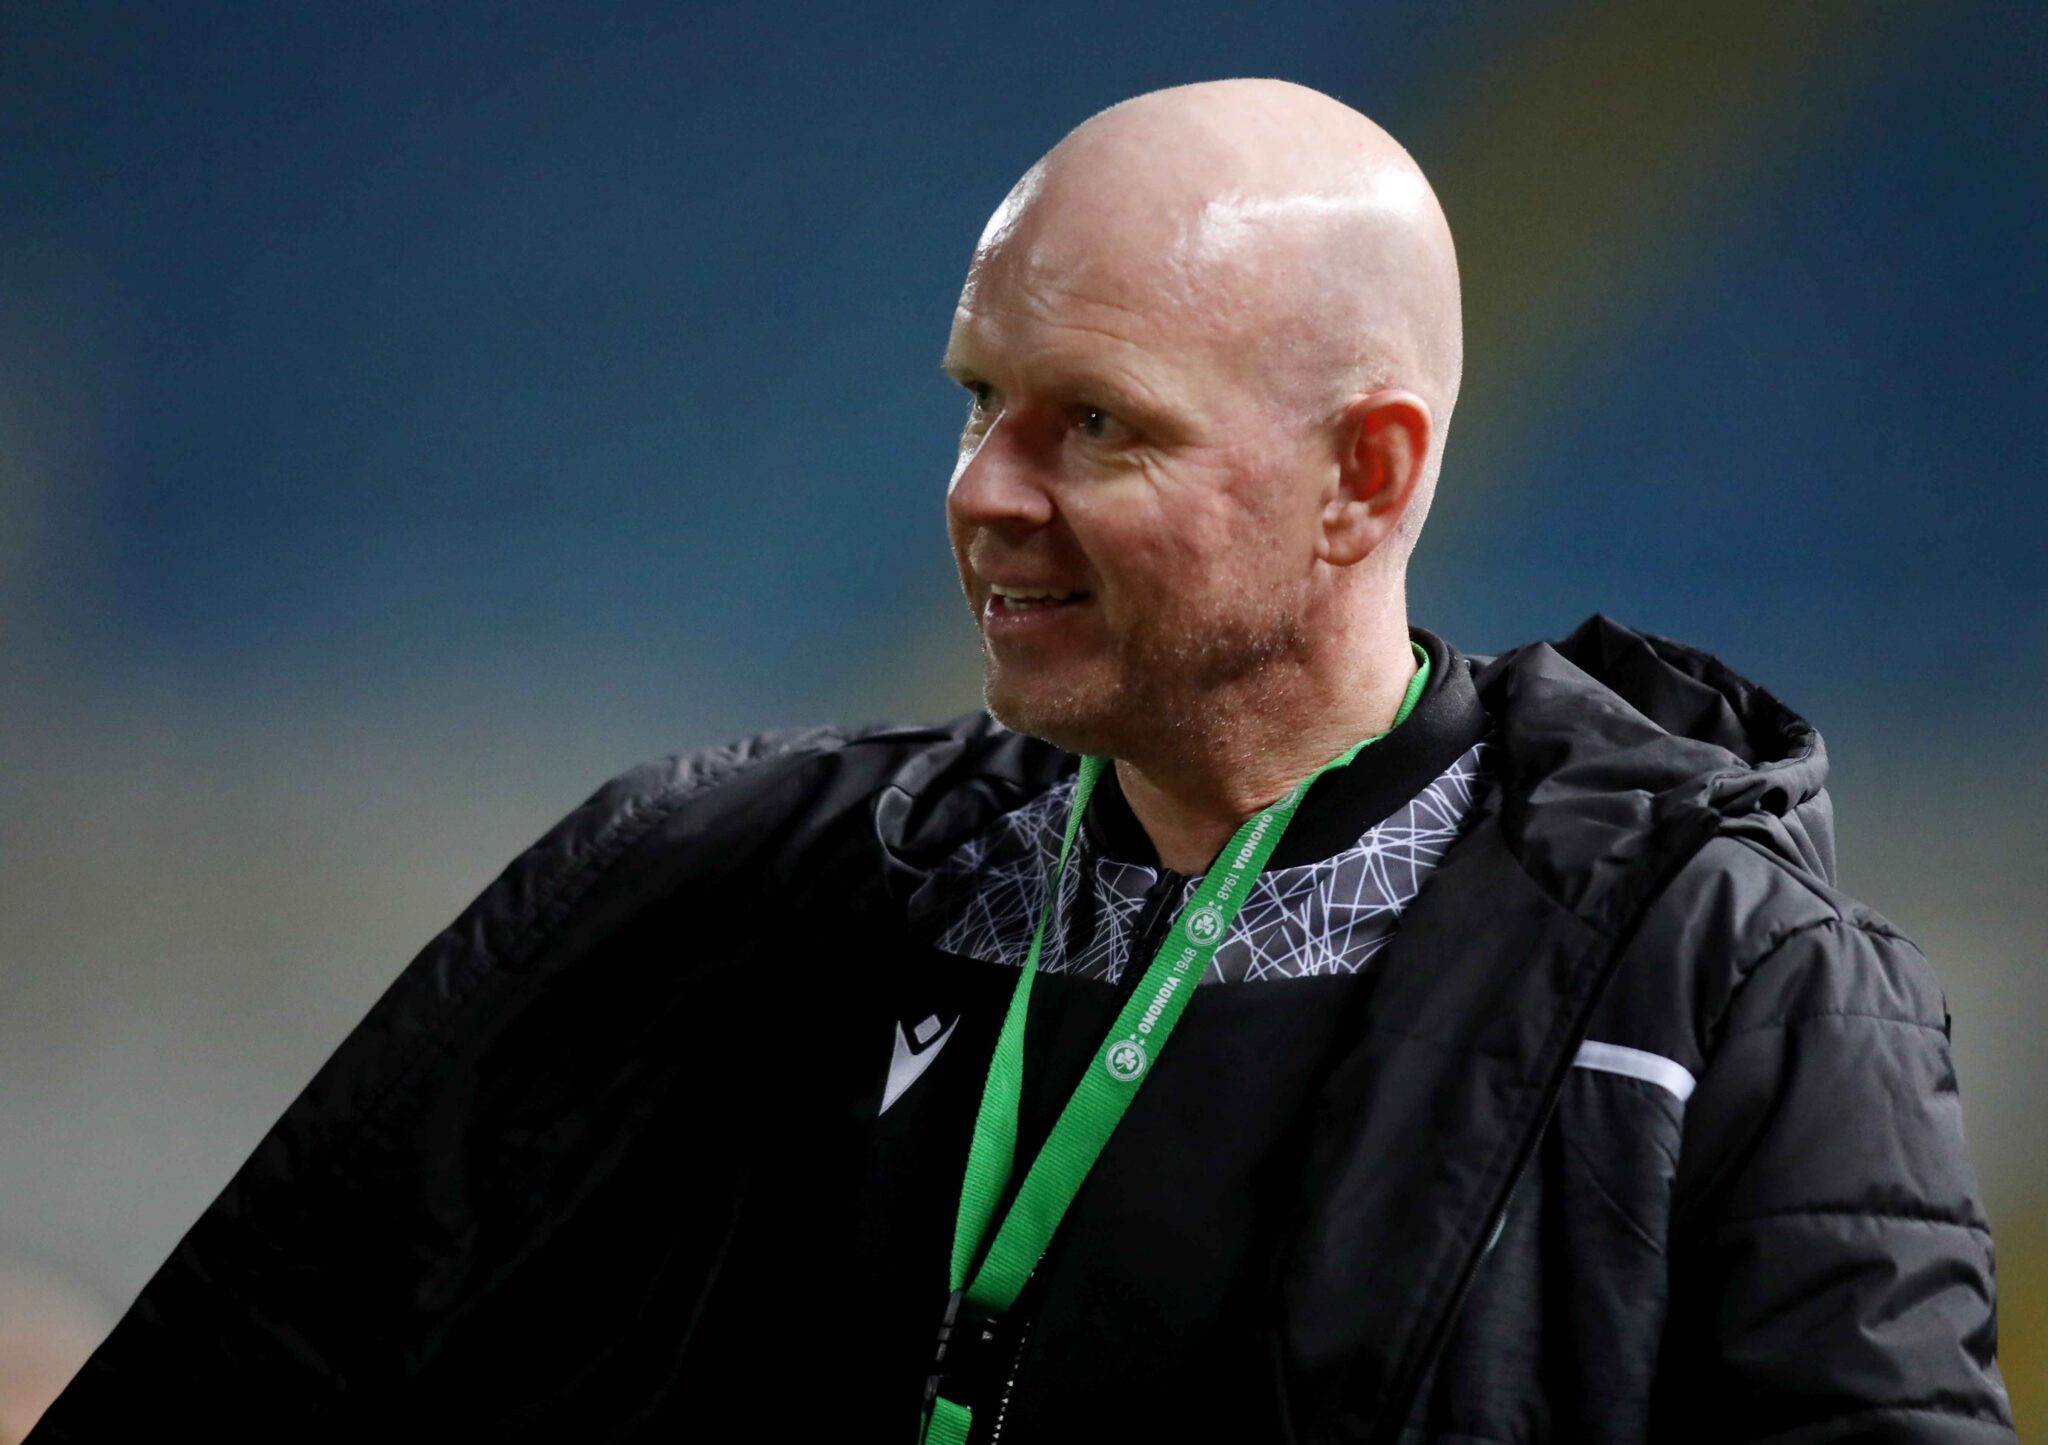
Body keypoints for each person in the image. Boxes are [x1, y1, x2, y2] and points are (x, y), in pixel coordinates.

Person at [30, 79, 2013, 1445]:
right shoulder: (704, 888)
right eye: (980, 400)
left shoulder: (1723, 994)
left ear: (1365, 474)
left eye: (1096, 425)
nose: (984, 490)